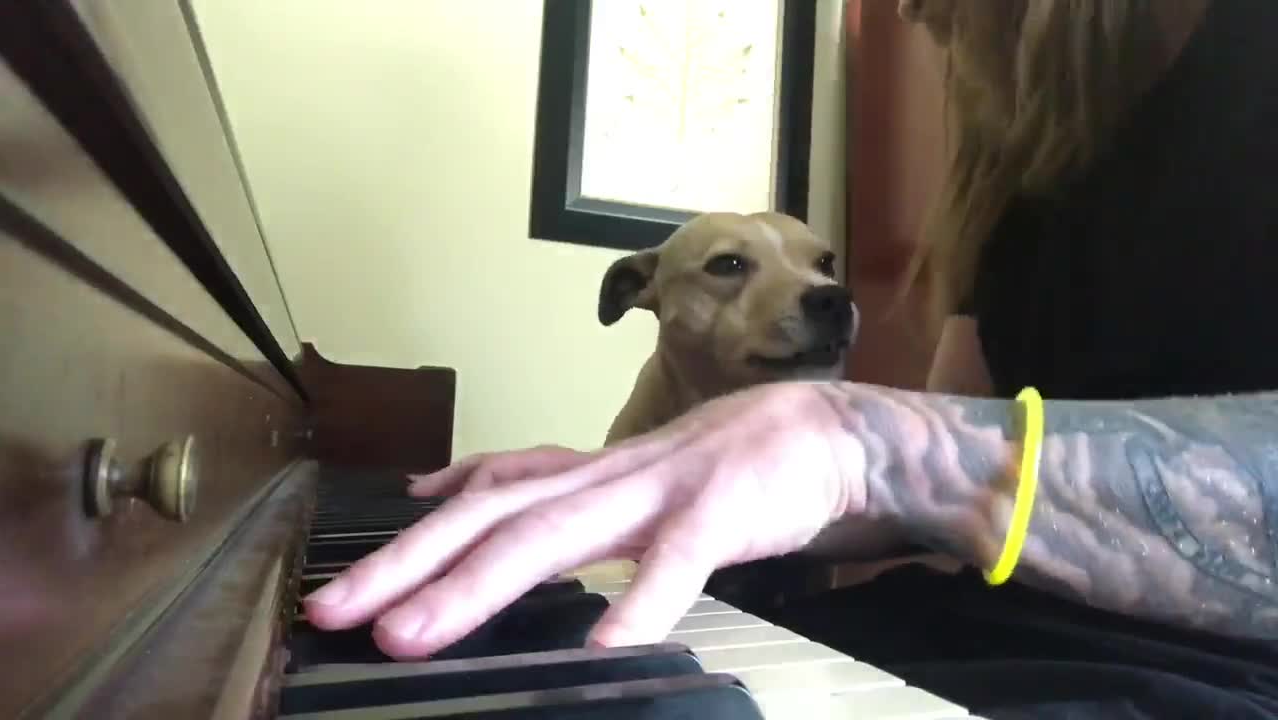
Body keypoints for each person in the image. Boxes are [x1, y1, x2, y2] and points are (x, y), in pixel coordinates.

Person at [305, 0, 1278, 716]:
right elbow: (933, 517)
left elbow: (917, 466)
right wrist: (640, 490)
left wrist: (863, 442)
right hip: (972, 630)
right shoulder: (1021, 164)